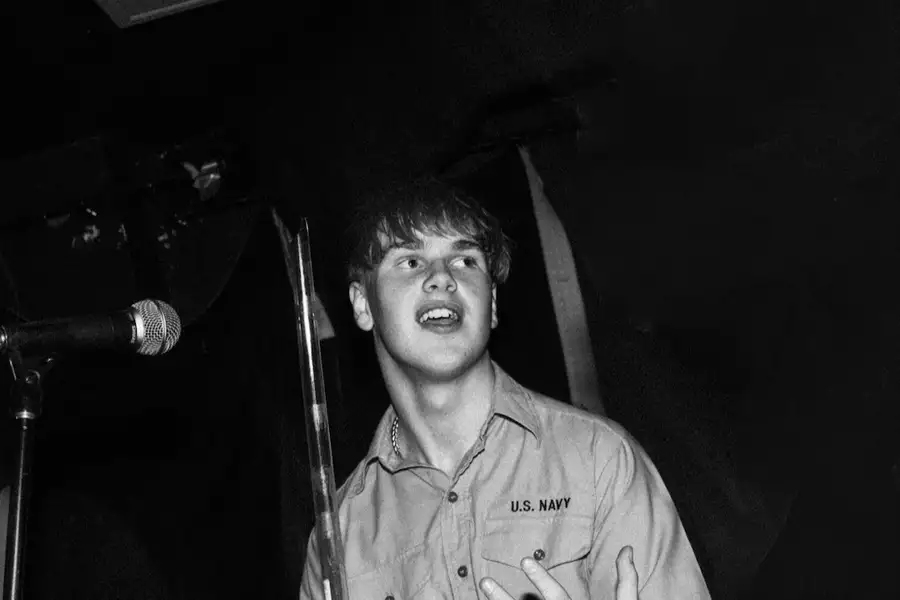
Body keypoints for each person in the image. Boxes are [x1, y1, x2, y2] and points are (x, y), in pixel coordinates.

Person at [299, 177, 710, 599]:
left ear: (492, 304)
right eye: (410, 260)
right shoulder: (339, 538)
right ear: (362, 304)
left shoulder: (598, 461)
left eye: (465, 260)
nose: (442, 277)